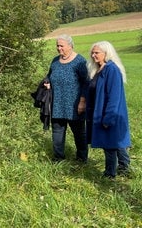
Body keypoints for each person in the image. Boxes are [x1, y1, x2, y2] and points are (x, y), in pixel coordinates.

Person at [86, 41, 131, 179]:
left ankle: (109, 174)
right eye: (92, 53)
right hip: (99, 111)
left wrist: (108, 118)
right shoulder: (99, 69)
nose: (93, 55)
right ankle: (124, 166)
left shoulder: (111, 70)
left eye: (96, 53)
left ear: (106, 53)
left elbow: (114, 97)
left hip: (109, 113)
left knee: (110, 144)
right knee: (115, 141)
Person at [44, 34, 89, 162]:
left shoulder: (80, 61)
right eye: (57, 46)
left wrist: (82, 102)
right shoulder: (55, 61)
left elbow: (86, 83)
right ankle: (58, 158)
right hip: (57, 103)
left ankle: (82, 158)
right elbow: (49, 76)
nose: (59, 48)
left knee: (79, 133)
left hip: (75, 105)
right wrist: (47, 82)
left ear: (70, 46)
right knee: (57, 133)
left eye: (61, 46)